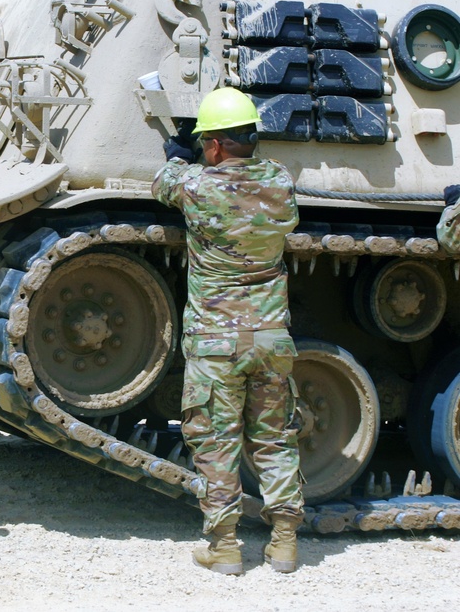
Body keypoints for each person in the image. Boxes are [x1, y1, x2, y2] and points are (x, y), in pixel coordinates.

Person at [151, 87, 305, 575]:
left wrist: (177, 152)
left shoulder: (199, 187)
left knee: (217, 441)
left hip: (218, 341)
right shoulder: (280, 182)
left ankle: (224, 547)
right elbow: (259, 170)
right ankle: (283, 543)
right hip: (269, 338)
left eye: (204, 144)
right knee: (274, 439)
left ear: (214, 146)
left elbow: (164, 180)